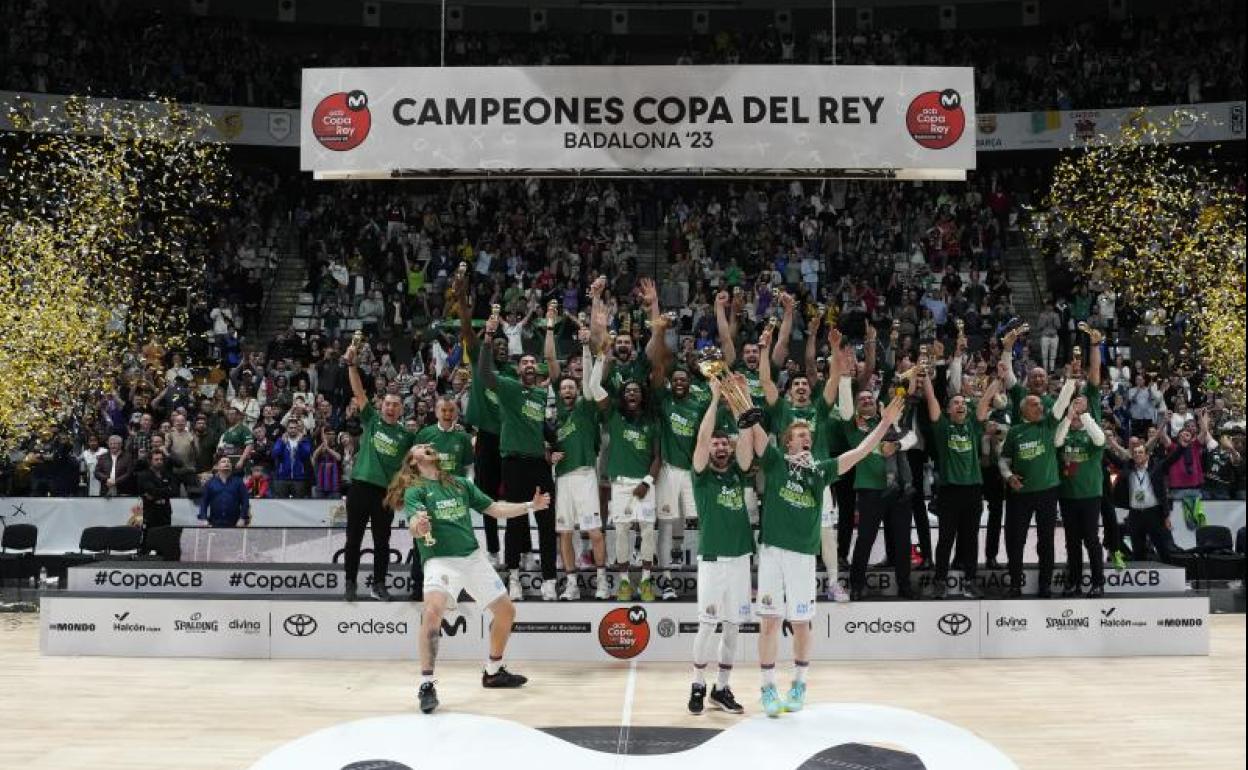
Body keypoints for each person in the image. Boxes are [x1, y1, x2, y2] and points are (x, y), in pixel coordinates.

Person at [752, 394, 903, 718]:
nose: (807, 438)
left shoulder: (820, 472)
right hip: (773, 553)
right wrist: (732, 395)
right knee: (769, 623)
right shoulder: (775, 461)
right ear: (788, 443)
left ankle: (799, 685)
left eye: (809, 435)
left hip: (803, 558)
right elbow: (752, 424)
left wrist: (886, 422)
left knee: (802, 624)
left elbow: (861, 452)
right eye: (800, 436)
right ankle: (767, 688)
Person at [386, 445, 546, 715]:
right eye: (422, 448)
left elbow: (495, 508)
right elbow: (414, 523)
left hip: (472, 558)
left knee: (506, 612)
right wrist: (419, 526)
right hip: (440, 560)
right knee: (432, 612)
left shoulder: (460, 484)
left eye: (430, 446)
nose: (429, 448)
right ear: (413, 461)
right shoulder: (416, 490)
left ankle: (493, 672)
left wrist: (531, 505)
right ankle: (426, 685)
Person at [760, 324, 852, 602]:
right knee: (782, 531)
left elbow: (835, 376)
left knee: (826, 533)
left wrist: (836, 350)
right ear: (788, 391)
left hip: (816, 478)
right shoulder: (781, 410)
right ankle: (782, 585)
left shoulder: (819, 410)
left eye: (804, 384)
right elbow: (765, 382)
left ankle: (834, 583)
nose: (801, 387)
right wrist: (764, 349)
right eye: (795, 384)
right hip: (784, 479)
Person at [687, 375, 755, 716]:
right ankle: (698, 684)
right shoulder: (700, 475)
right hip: (713, 560)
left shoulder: (739, 472)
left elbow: (746, 444)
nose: (720, 447)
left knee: (733, 627)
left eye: (723, 443)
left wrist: (740, 397)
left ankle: (722, 688)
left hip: (740, 558)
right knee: (707, 625)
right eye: (716, 444)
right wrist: (715, 398)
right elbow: (701, 438)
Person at [480, 316, 560, 601]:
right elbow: (486, 376)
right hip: (513, 465)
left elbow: (542, 428)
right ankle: (513, 579)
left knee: (546, 524)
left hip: (539, 466)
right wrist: (488, 340)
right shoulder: (510, 388)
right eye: (524, 363)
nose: (528, 366)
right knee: (515, 522)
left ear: (536, 370)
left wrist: (555, 445)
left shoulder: (540, 396)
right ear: (518, 369)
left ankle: (549, 579)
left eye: (532, 363)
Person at [342, 338, 417, 602]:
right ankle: (350, 583)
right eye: (387, 403)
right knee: (353, 540)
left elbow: (412, 467)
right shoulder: (371, 420)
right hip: (361, 487)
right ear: (382, 405)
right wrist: (352, 365)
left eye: (396, 404)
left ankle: (379, 584)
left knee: (382, 543)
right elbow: (359, 392)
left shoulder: (407, 437)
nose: (391, 407)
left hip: (386, 494)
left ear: (401, 409)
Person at [922, 365, 1000, 599]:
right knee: (946, 539)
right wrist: (925, 376)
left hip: (973, 491)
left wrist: (999, 377)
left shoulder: (973, 426)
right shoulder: (943, 427)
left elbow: (985, 399)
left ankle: (970, 581)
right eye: (955, 403)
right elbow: (931, 399)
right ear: (948, 409)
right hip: (949, 491)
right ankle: (940, 581)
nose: (961, 405)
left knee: (970, 539)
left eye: (963, 402)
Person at [999, 379, 1076, 598]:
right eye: (1035, 405)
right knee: (1016, 541)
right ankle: (1015, 585)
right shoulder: (1014, 432)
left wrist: (1070, 381)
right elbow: (1003, 460)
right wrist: (1008, 475)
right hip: (1019, 494)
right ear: (1024, 410)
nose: (1040, 407)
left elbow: (1060, 404)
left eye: (1041, 405)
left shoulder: (1047, 425)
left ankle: (1045, 585)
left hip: (1047, 492)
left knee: (1046, 542)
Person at [551, 341, 609, 601]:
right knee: (564, 533)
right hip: (562, 479)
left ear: (576, 391)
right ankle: (571, 584)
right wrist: (549, 455)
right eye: (563, 388)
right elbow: (546, 451)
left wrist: (588, 349)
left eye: (570, 387)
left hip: (585, 476)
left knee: (595, 532)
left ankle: (602, 582)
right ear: (559, 394)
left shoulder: (585, 410)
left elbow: (589, 381)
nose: (567, 391)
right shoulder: (555, 421)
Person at [595, 377, 661, 602]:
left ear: (642, 396)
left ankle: (645, 581)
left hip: (644, 483)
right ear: (623, 396)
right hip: (621, 484)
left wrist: (647, 482)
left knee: (648, 532)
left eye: (636, 391)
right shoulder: (614, 416)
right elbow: (595, 388)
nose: (632, 394)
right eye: (628, 391)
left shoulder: (652, 422)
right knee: (621, 531)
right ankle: (623, 581)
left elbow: (657, 457)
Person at [1055, 394, 1108, 597]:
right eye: (1074, 408)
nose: (1077, 413)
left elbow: (1100, 439)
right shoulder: (1064, 433)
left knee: (1092, 540)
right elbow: (1057, 442)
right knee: (1072, 541)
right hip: (1067, 495)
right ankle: (1073, 582)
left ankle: (1098, 583)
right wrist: (1068, 418)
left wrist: (1084, 414)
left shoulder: (1092, 433)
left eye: (1081, 408)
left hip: (1090, 495)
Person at [135, 449, 177, 551]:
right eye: (156, 459)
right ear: (150, 461)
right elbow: (151, 490)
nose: (159, 461)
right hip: (150, 512)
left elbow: (174, 490)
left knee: (164, 539)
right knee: (147, 539)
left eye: (161, 459)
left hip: (165, 512)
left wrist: (157, 493)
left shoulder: (167, 474)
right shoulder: (143, 475)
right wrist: (164, 490)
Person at [198, 456, 251, 527]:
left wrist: (242, 518)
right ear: (217, 466)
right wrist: (203, 518)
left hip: (235, 524)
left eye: (228, 462)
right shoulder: (210, 483)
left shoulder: (239, 482)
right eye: (223, 462)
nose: (226, 463)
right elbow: (204, 502)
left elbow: (245, 501)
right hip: (215, 523)